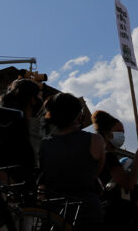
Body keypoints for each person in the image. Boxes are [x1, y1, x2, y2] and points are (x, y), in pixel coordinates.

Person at [39, 93, 105, 230]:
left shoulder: (45, 144)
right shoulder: (95, 140)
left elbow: (44, 175)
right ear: (78, 116)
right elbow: (96, 170)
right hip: (86, 210)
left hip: (55, 211)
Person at [92, 110, 138, 231]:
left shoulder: (99, 154)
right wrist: (137, 160)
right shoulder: (109, 157)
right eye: (119, 131)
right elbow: (128, 184)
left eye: (123, 132)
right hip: (111, 216)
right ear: (107, 133)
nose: (122, 136)